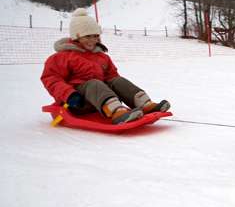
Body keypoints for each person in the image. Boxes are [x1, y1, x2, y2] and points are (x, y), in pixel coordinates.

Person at [41, 8, 170, 124]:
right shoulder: (63, 57)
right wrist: (69, 95)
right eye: (88, 36)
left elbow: (112, 76)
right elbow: (51, 78)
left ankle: (145, 104)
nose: (92, 40)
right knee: (94, 83)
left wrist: (117, 90)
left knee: (117, 80)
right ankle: (117, 112)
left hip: (101, 100)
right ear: (76, 36)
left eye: (96, 36)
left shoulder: (102, 56)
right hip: (77, 103)